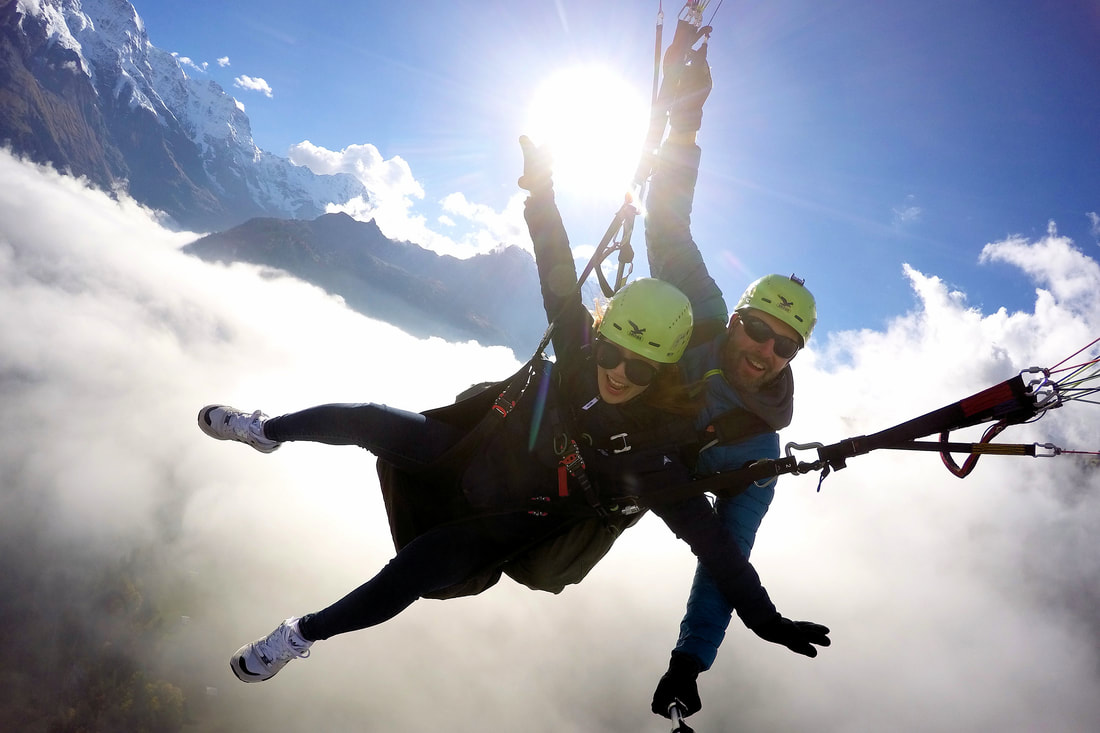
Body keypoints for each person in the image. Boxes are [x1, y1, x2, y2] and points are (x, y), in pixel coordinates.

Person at [196, 136, 828, 688]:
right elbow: (556, 264)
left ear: (662, 372)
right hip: (470, 449)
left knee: (412, 572)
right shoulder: (583, 354)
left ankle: (297, 636)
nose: (618, 373)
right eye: (612, 352)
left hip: (503, 521)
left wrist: (760, 620)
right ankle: (264, 430)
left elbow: (717, 547)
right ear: (601, 335)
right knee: (368, 419)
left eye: (639, 370)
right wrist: (541, 187)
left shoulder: (653, 454)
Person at [644, 31, 824, 720]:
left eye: (783, 345)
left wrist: (690, 659)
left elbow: (725, 555)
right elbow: (668, 219)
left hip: (628, 483)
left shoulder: (756, 449)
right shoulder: (702, 314)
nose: (762, 351)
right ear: (738, 317)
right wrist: (685, 116)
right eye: (757, 329)